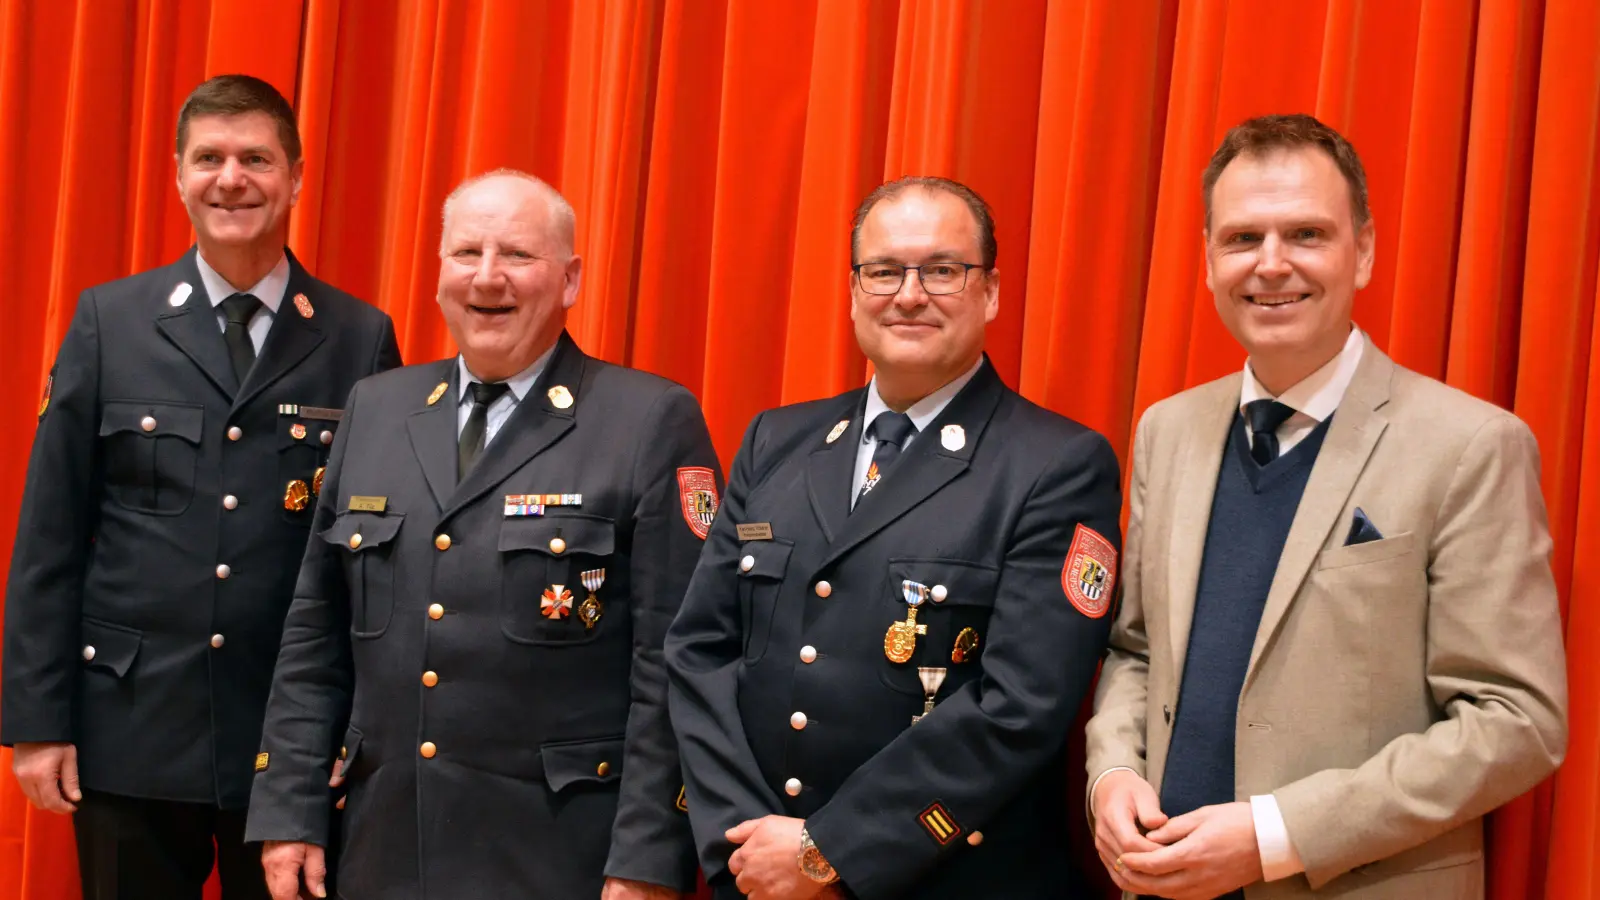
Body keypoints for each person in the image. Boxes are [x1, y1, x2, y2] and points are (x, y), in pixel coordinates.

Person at [1085, 114, 1568, 900]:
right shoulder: (1166, 431)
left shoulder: (1473, 444)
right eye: (1243, 239)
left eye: (1306, 234)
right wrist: (1111, 774)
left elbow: (1515, 721)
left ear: (1364, 251)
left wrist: (1276, 836)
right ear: (1208, 260)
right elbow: (1136, 650)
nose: (1271, 265)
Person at [244, 170, 716, 900]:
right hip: (385, 847)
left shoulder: (648, 421)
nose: (488, 278)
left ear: (568, 280)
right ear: (439, 274)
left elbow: (673, 665)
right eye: (466, 253)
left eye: (517, 256)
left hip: (561, 858)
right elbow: (316, 634)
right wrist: (288, 809)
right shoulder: (376, 407)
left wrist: (648, 858)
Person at [665, 176, 1122, 900]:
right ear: (853, 292)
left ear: (991, 292)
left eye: (942, 270)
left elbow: (1021, 706)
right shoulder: (777, 441)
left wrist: (827, 852)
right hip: (758, 879)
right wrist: (744, 842)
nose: (909, 294)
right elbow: (698, 652)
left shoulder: (1056, 464)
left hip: (944, 880)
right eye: (883, 271)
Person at [0, 74, 402, 899]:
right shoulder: (109, 322)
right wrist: (36, 724)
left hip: (284, 744)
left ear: (295, 176)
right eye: (209, 158)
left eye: (256, 158)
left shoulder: (360, 337)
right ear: (176, 177)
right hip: (127, 729)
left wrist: (362, 727)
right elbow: (49, 535)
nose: (232, 179)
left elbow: (374, 561)